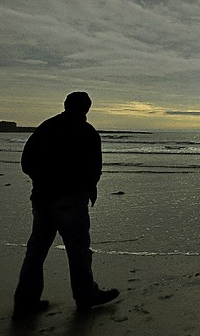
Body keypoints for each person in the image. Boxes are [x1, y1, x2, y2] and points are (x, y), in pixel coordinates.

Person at [12, 92, 119, 319]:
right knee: (78, 249)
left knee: (36, 251)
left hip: (41, 199)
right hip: (70, 199)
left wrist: (41, 180)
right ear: (86, 108)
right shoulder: (86, 132)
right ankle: (85, 294)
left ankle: (25, 301)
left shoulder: (46, 127)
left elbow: (26, 162)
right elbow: (94, 168)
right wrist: (87, 188)